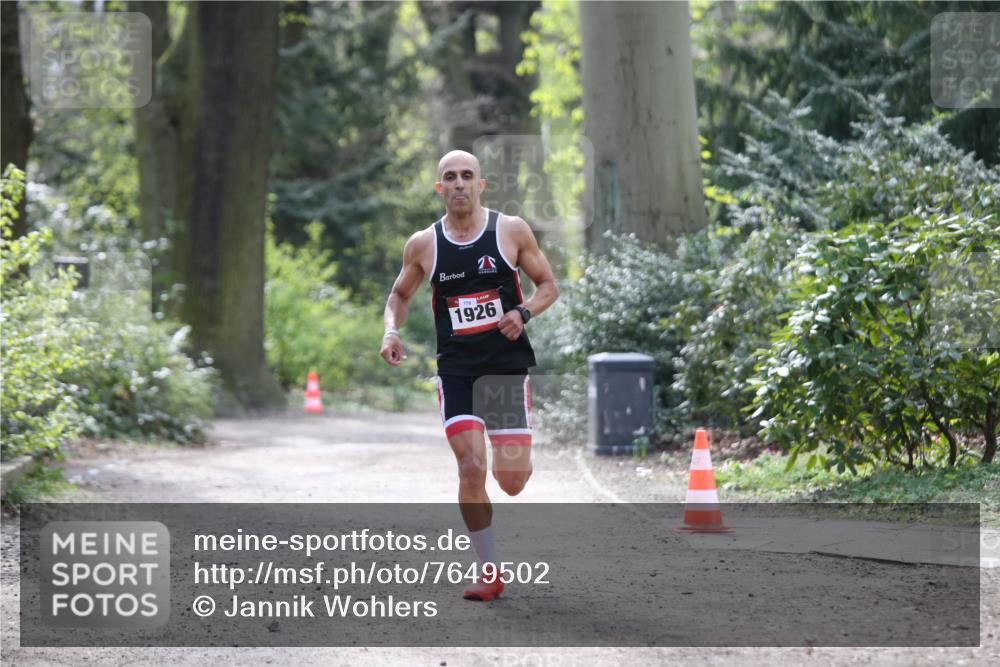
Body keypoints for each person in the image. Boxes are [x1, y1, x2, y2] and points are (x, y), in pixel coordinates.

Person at [380, 150, 559, 601]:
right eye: (449, 178)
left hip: (504, 369)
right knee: (470, 466)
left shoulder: (511, 231)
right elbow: (399, 294)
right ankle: (489, 572)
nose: (458, 184)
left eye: (467, 176)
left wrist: (522, 312)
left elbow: (549, 287)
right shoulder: (424, 244)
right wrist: (390, 331)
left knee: (512, 482)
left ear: (481, 185)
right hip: (457, 369)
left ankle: (513, 460)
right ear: (439, 189)